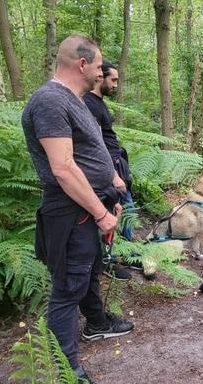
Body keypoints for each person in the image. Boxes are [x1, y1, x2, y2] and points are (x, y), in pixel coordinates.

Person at [22, 34, 134, 384]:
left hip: (89, 207)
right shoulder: (49, 101)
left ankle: (96, 326)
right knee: (67, 287)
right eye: (100, 66)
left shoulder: (75, 101)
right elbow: (63, 168)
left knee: (85, 275)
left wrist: (113, 181)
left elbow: (89, 152)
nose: (102, 73)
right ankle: (65, 369)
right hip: (71, 212)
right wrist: (100, 215)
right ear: (82, 64)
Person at [84, 60, 137, 280]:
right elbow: (95, 144)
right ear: (100, 77)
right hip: (108, 169)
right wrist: (112, 175)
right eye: (113, 79)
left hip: (116, 164)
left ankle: (129, 254)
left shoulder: (99, 102)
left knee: (126, 210)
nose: (115, 84)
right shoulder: (88, 103)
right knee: (117, 211)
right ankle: (111, 259)